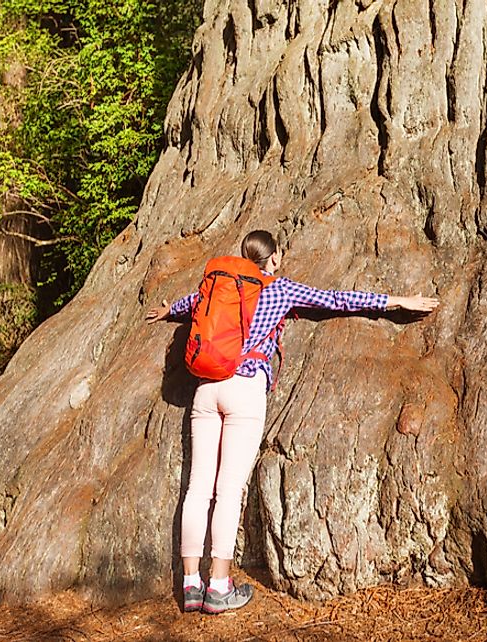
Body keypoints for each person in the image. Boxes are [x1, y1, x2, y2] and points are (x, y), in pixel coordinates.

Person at [145, 230, 439, 614]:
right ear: (275, 258)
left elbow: (191, 304)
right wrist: (396, 300)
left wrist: (170, 310)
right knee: (229, 490)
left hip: (207, 388)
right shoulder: (279, 289)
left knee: (198, 488)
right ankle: (218, 584)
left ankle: (190, 585)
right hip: (245, 389)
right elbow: (337, 300)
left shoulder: (220, 285)